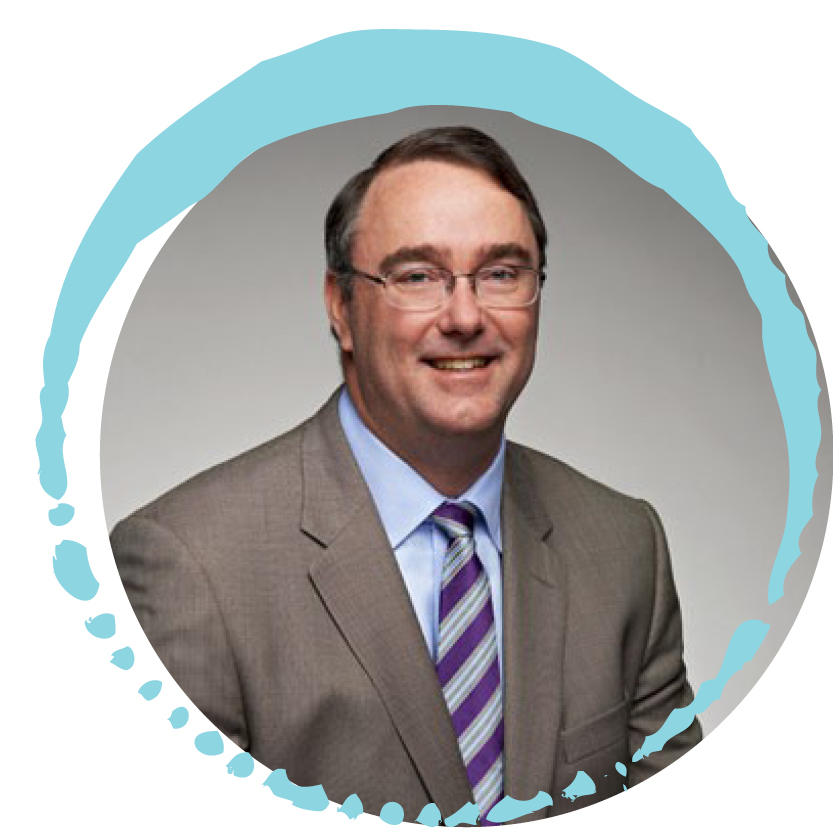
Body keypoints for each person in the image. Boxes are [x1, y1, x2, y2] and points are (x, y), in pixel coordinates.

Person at [111, 126, 701, 823]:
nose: (465, 316)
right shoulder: (192, 567)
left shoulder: (623, 545)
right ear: (341, 306)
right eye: (417, 276)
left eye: (501, 273)